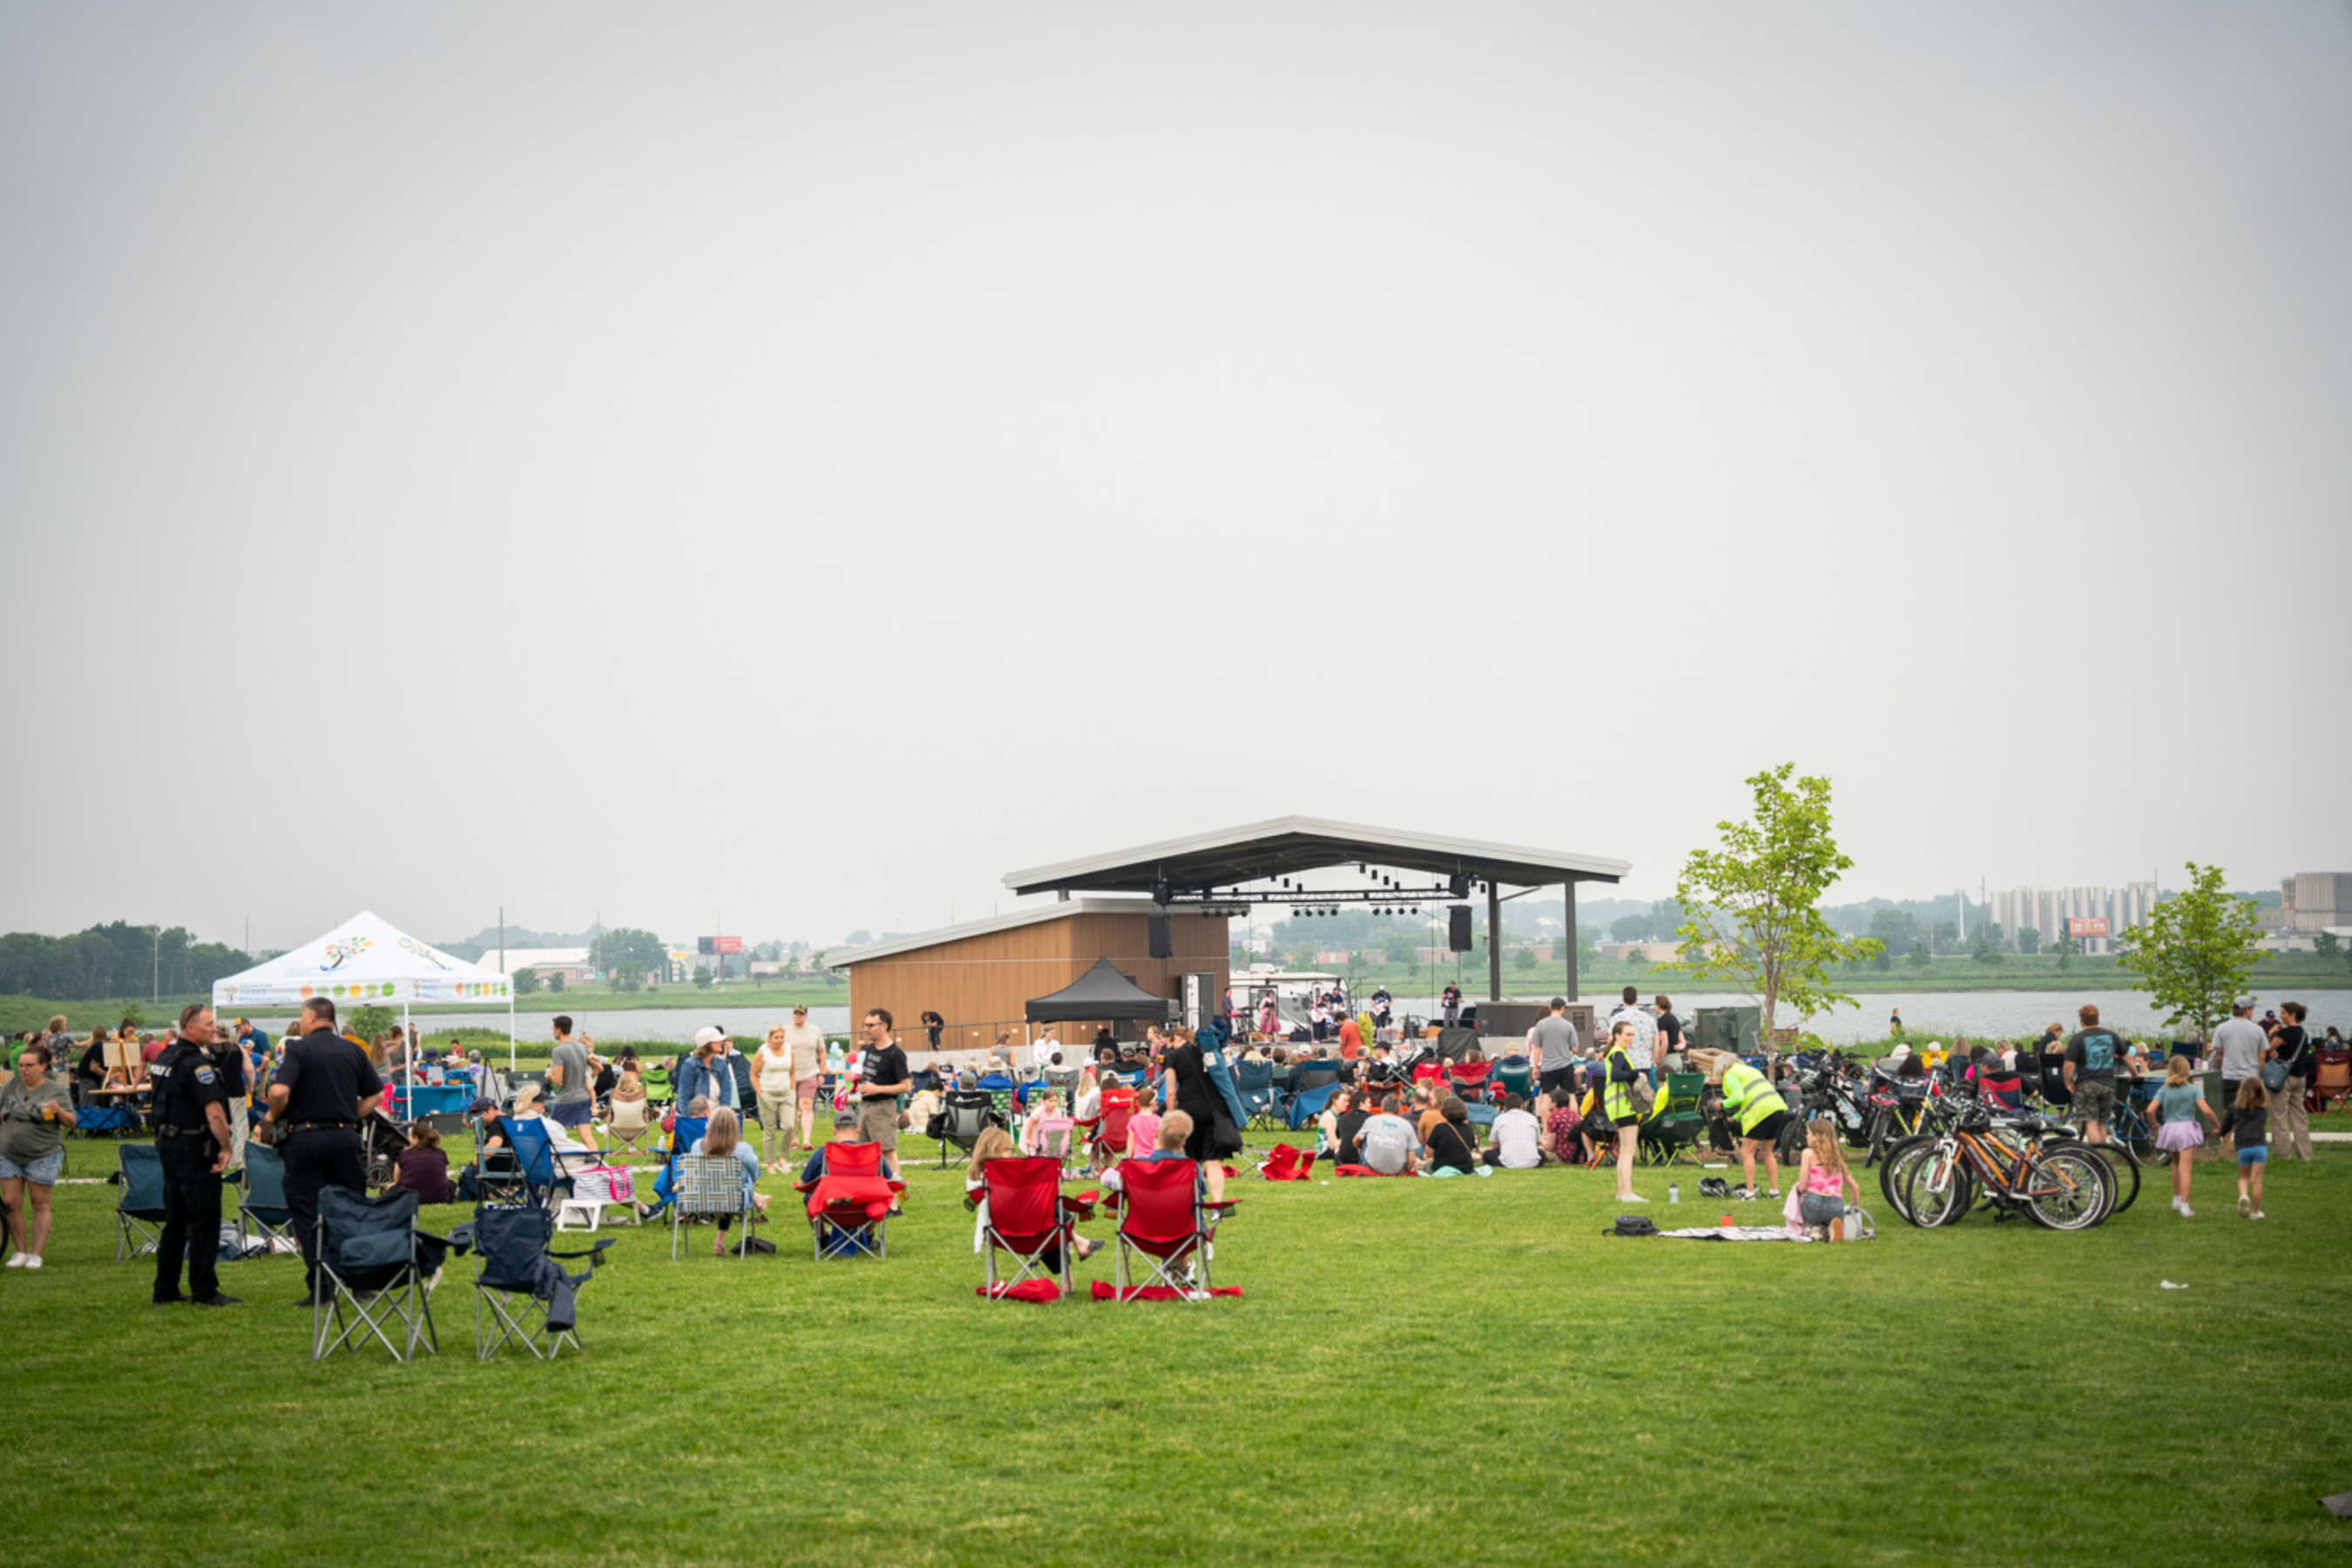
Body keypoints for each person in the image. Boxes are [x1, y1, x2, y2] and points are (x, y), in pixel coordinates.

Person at [262, 996, 386, 1306]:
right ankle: (361, 1283)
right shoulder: (353, 1050)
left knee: (308, 1212)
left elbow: (278, 1091)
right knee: (351, 1208)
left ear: (311, 1017)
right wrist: (349, 1114)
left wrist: (271, 1118)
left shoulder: (298, 1049)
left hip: (305, 1140)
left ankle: (322, 1288)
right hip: (345, 1138)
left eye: (302, 1018)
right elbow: (376, 1094)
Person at [148, 1004, 243, 1307]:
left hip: (169, 1144)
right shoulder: (196, 1065)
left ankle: (165, 1288)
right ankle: (204, 1290)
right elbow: (215, 1113)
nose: (214, 1028)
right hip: (193, 1147)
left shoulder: (165, 1057)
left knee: (176, 1220)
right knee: (204, 1219)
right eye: (209, 1024)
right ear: (191, 1027)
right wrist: (227, 1148)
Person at [964, 1125, 1100, 1265]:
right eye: (1008, 1150)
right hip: (1029, 1231)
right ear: (995, 1150)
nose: (1011, 1154)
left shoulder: (975, 1177)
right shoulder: (1010, 1176)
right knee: (1052, 1218)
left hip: (998, 1233)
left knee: (1050, 1215)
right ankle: (1077, 1251)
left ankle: (1079, 1246)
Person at [0, 1041, 75, 1269]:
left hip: (42, 1154)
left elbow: (71, 1122)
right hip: (8, 1153)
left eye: (29, 1065)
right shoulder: (10, 1086)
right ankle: (20, 1252)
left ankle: (36, 1254)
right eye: (21, 1065)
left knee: (40, 1202)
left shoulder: (56, 1090)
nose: (23, 1069)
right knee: (11, 1202)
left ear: (42, 1066)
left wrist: (58, 1110)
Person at [1704, 1048, 1790, 1200]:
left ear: (1723, 1067)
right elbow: (1751, 1098)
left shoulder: (1731, 1074)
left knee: (1747, 1152)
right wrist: (1737, 1117)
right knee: (1767, 1152)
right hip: (1777, 1108)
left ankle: (1750, 1193)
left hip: (1761, 1111)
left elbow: (1738, 1097)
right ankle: (1774, 1192)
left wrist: (1721, 1104)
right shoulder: (1749, 1070)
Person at [689, 1106, 768, 1255]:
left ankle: (720, 1244)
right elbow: (754, 1174)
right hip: (731, 1202)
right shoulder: (742, 1150)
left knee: (728, 1187)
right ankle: (758, 1199)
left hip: (698, 1201)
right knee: (738, 1187)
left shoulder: (696, 1147)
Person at [2150, 1056, 2217, 1215]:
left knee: (2175, 1164)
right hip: (2186, 1129)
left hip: (2170, 1128)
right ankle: (2185, 1207)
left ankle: (2177, 1199)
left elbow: (2150, 1109)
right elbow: (2206, 1111)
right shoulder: (2193, 1089)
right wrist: (2217, 1125)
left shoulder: (2164, 1089)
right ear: (2187, 1071)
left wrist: (2154, 1124)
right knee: (2185, 1169)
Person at [856, 1009, 911, 1185]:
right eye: (865, 1025)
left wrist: (877, 1089)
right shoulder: (871, 1049)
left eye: (871, 1025)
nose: (866, 1029)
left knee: (887, 1153)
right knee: (864, 1153)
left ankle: (894, 1203)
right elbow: (874, 1077)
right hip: (865, 1108)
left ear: (884, 1026)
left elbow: (906, 1086)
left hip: (883, 1108)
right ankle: (870, 1194)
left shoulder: (895, 1053)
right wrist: (857, 1079)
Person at [1160, 1025, 1227, 1164]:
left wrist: (1171, 1116)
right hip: (1214, 1106)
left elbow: (1171, 1092)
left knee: (1193, 1158)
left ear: (1177, 1038)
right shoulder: (1206, 1052)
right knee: (1213, 1160)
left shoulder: (1174, 1056)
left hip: (1190, 1108)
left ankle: (1197, 1182)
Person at [2063, 1004, 2126, 1145]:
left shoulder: (2077, 1039)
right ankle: (2103, 1157)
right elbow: (2127, 1056)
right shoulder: (2112, 1036)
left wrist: (2067, 1083)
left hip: (2087, 1084)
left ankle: (2096, 1157)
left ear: (2081, 1021)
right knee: (2102, 1122)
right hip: (2108, 1084)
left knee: (2091, 1123)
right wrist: (2135, 1073)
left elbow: (2069, 1064)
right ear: (2097, 1018)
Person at [1599, 1020, 1646, 1200]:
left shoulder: (1615, 1052)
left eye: (1633, 1035)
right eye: (1628, 1034)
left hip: (1618, 1107)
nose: (1631, 1038)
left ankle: (1622, 1191)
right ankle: (1626, 1192)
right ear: (1617, 1035)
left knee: (1625, 1150)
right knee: (1628, 1150)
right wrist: (1636, 1073)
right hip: (1623, 1107)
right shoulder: (1618, 1053)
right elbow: (1616, 1075)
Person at [2211, 995, 2266, 1143]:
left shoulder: (2222, 1028)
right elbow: (2262, 1057)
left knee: (2227, 1111)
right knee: (2251, 1110)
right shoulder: (2258, 1030)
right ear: (2247, 1010)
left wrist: (2217, 1073)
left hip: (2229, 1075)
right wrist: (2259, 1076)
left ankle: (2226, 1146)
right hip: (2250, 1077)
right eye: (2252, 1009)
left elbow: (2218, 1055)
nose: (2253, 1012)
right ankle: (2249, 1141)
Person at [1796, 1119, 1861, 1240]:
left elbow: (1803, 1186)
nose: (1806, 1136)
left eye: (1808, 1133)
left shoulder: (1808, 1153)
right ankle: (1831, 1227)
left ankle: (1815, 1228)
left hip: (1813, 1205)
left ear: (1816, 1136)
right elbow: (1855, 1187)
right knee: (1832, 1216)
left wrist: (1797, 1192)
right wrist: (1854, 1208)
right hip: (1835, 1206)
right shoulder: (1836, 1158)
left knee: (1805, 1202)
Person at [2268, 1001, 2314, 1162]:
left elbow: (2268, 1048)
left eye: (2283, 1013)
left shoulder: (2285, 1034)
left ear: (2293, 1015)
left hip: (2284, 1078)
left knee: (2279, 1116)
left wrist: (2272, 1032)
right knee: (2299, 1117)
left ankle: (2282, 1155)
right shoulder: (2303, 1033)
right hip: (2300, 1077)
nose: (2280, 1016)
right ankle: (2306, 1155)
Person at [778, 1004, 825, 1152]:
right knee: (792, 1108)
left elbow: (822, 1053)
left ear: (806, 1016)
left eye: (801, 1014)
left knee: (806, 1106)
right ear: (792, 1014)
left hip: (809, 1073)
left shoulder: (815, 1031)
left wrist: (822, 1073)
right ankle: (793, 1138)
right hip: (788, 1074)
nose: (798, 1016)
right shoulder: (784, 1030)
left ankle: (806, 1140)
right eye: (796, 1013)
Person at [545, 1016, 597, 1148]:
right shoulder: (582, 1048)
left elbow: (558, 1081)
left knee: (553, 1134)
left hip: (566, 1099)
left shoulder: (558, 1051)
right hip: (584, 1098)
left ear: (558, 1031)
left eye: (553, 1028)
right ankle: (597, 1163)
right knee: (586, 1136)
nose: (553, 1031)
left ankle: (555, 1162)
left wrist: (550, 1073)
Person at [753, 1025, 796, 1166]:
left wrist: (793, 1090)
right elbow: (753, 1075)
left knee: (789, 1126)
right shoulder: (762, 1052)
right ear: (770, 1038)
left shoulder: (789, 1050)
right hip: (768, 1093)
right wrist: (760, 1093)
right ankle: (770, 1162)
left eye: (782, 1037)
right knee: (770, 1130)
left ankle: (783, 1157)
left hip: (786, 1093)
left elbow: (792, 1072)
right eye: (776, 1038)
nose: (779, 1040)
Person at [2231, 1078, 2268, 1220]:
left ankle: (2244, 1195)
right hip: (2260, 1147)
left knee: (2243, 1177)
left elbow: (2226, 1125)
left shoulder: (2235, 1108)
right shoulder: (2264, 1110)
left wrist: (2220, 1131)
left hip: (2243, 1148)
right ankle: (2255, 1212)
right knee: (2257, 1180)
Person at [1358, 1093, 1423, 1175]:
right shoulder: (1406, 1124)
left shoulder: (1371, 1120)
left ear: (1382, 1107)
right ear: (1399, 1110)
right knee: (1411, 1146)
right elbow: (1412, 1157)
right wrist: (1407, 1171)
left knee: (1363, 1139)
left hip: (1372, 1168)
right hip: (1398, 1171)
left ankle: (1363, 1169)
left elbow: (1356, 1140)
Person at [1531, 997, 1580, 1104]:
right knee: (1571, 1096)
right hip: (1565, 1065)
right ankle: (1573, 1120)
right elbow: (1575, 1048)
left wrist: (1535, 1067)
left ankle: (1545, 1120)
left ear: (1550, 1008)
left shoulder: (1541, 1025)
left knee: (1547, 1097)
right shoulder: (1569, 1025)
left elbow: (1536, 1049)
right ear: (1563, 1008)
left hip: (1548, 1067)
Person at [392, 1121, 455, 1205]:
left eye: (410, 1135)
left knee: (391, 1189)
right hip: (441, 1197)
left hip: (409, 1198)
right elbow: (444, 1174)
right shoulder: (441, 1153)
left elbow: (397, 1181)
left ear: (416, 1138)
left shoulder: (404, 1155)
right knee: (452, 1183)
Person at [1607, 986, 1658, 1083]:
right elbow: (1655, 1039)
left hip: (1625, 1063)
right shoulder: (1648, 1018)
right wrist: (1654, 1058)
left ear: (1623, 1000)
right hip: (1645, 1063)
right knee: (1643, 1093)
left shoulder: (1617, 1018)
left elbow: (1611, 1039)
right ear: (1637, 999)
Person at [1484, 1092, 1546, 1169]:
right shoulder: (1532, 1118)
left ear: (1506, 1109)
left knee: (1487, 1154)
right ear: (1522, 1107)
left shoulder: (1499, 1119)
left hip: (1506, 1162)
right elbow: (1537, 1144)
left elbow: (1494, 1146)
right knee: (1541, 1153)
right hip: (1533, 1162)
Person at [1422, 1098, 1479, 1174]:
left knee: (1427, 1164)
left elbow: (1429, 1153)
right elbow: (1472, 1147)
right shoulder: (1468, 1128)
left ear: (1444, 1111)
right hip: (1466, 1168)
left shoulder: (1439, 1128)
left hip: (1442, 1167)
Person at [1125, 1087, 1163, 1159]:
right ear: (1153, 1103)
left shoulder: (1133, 1120)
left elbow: (1131, 1140)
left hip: (1138, 1158)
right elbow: (1160, 1140)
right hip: (1154, 1158)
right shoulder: (1158, 1120)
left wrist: (1129, 1157)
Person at [1653, 996, 1686, 1072]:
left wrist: (1659, 1060)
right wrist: (1679, 1046)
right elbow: (1683, 1041)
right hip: (1677, 1059)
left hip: (1668, 1059)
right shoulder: (1674, 1018)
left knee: (1664, 1083)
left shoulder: (1662, 1021)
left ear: (1658, 1006)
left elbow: (1665, 1044)